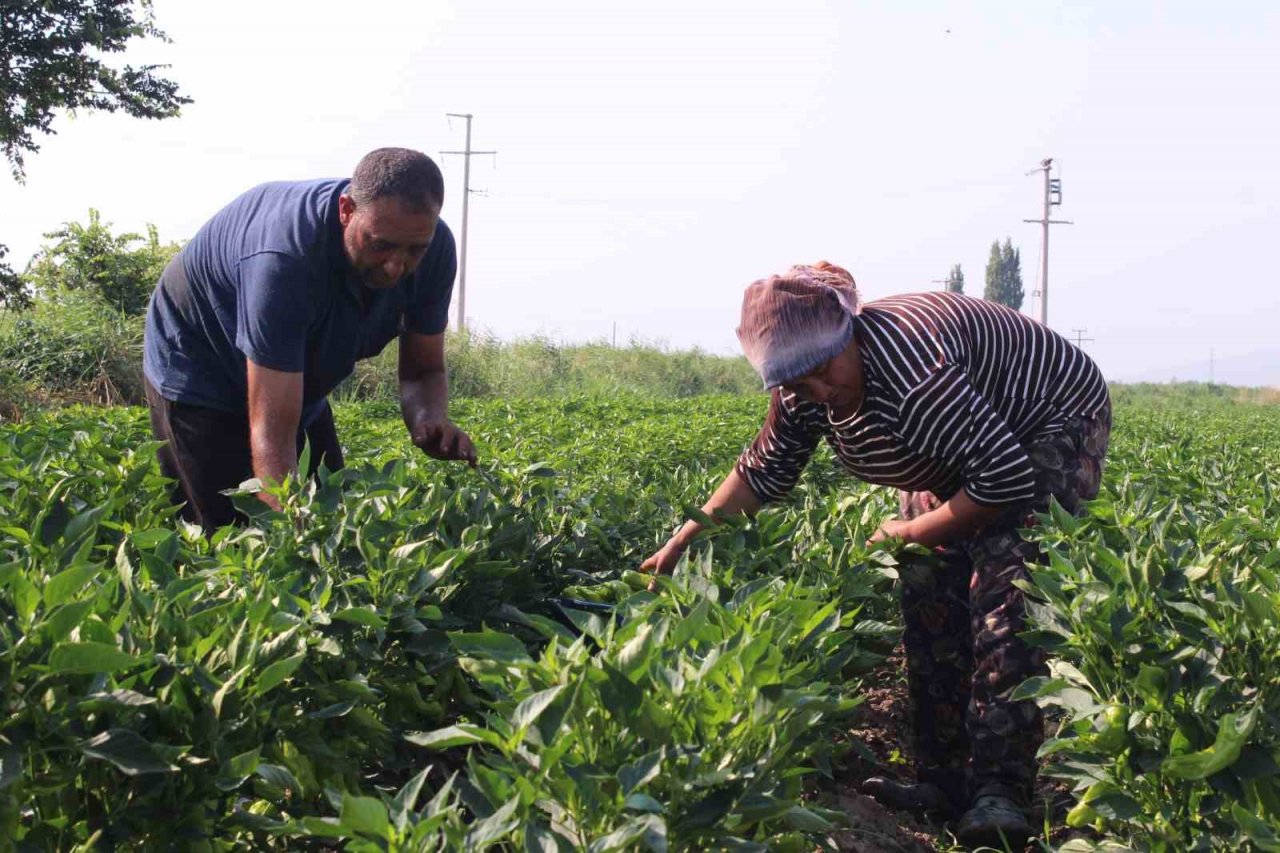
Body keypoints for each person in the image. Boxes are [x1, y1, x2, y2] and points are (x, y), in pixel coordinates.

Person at [641, 262, 1110, 848]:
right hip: (966, 440)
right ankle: (942, 779)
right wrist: (685, 537)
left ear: (849, 335)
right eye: (798, 384)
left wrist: (908, 533)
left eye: (824, 372)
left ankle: (1000, 792)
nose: (819, 391)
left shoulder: (915, 374)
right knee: (927, 583)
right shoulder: (804, 386)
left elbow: (1004, 480)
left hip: (1045, 419)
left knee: (1005, 596)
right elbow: (763, 471)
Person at [143, 147, 476, 531]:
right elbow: (272, 434)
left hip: (289, 376)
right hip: (200, 367)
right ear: (346, 210)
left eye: (415, 250)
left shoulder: (435, 250)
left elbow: (423, 369)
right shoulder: (285, 258)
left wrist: (428, 419)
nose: (395, 266)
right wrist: (292, 539)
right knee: (230, 533)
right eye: (380, 245)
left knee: (330, 518)